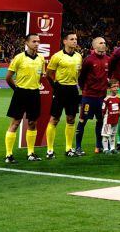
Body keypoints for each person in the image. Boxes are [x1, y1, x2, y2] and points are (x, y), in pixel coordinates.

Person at [4, 33, 46, 164]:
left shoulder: (41, 59)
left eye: (38, 41)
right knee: (15, 123)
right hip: (20, 93)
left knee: (33, 123)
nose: (37, 44)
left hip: (34, 93)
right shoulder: (19, 58)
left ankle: (31, 152)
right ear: (27, 43)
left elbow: (39, 77)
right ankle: (9, 154)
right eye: (34, 41)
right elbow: (8, 77)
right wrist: (17, 90)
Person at [45, 31, 82, 159]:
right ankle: (50, 150)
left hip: (73, 89)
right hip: (60, 88)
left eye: (76, 39)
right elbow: (48, 73)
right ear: (64, 41)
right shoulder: (57, 56)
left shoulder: (78, 56)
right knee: (54, 119)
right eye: (72, 39)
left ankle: (68, 148)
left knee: (71, 118)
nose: (75, 41)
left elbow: (79, 74)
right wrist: (55, 86)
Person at [74, 36, 109, 155]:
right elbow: (81, 78)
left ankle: (99, 146)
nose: (103, 44)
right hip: (89, 97)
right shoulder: (88, 60)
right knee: (83, 121)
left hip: (102, 97)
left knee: (101, 121)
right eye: (100, 43)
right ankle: (78, 147)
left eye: (104, 42)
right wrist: (86, 91)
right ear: (94, 46)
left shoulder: (107, 59)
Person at [100, 82, 120, 154]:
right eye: (114, 86)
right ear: (109, 89)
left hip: (115, 119)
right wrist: (104, 118)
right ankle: (105, 149)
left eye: (117, 86)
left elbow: (119, 108)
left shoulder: (118, 98)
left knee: (113, 134)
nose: (116, 88)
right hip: (108, 120)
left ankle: (112, 148)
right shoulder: (106, 99)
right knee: (106, 134)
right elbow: (103, 110)